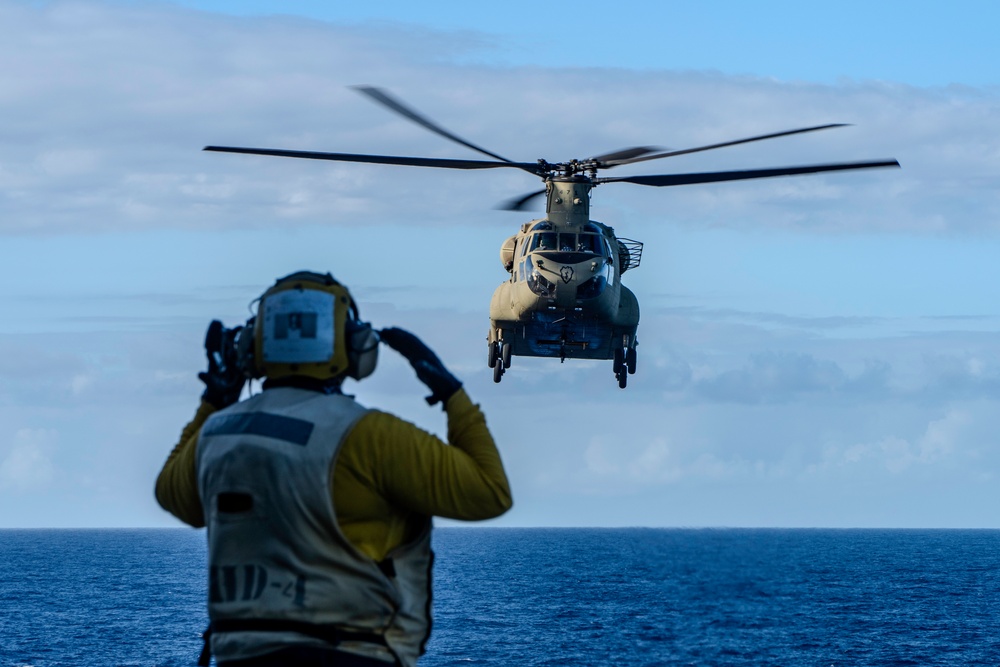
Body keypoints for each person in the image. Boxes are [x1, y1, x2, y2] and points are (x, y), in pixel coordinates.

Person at [155, 271, 512, 667]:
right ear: (355, 346)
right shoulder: (371, 436)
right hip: (351, 655)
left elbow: (173, 496)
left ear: (250, 347)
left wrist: (215, 399)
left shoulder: (215, 436)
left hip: (239, 657)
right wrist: (451, 394)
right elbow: (489, 492)